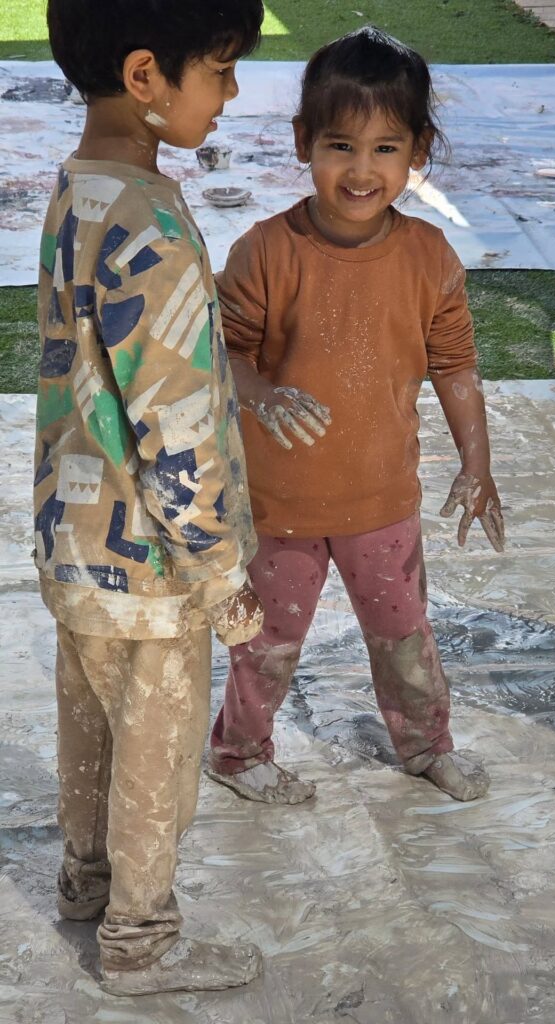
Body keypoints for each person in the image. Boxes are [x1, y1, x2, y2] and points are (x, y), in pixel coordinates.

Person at [208, 26, 504, 807]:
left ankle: (425, 745)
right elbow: (222, 355)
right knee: (267, 643)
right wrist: (261, 392)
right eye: (341, 145)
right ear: (304, 141)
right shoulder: (264, 252)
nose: (362, 170)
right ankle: (237, 753)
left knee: (405, 635)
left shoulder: (432, 257)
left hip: (383, 502)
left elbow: (456, 366)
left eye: (386, 148)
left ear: (418, 151)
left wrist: (478, 464)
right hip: (282, 507)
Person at [35, 0, 266, 997]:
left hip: (72, 541)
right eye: (219, 69)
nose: (232, 92)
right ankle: (141, 937)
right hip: (154, 561)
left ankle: (88, 884)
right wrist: (219, 569)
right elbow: (176, 425)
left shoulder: (76, 190)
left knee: (89, 722)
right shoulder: (154, 222)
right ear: (145, 77)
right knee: (156, 753)